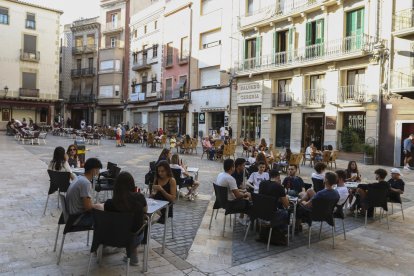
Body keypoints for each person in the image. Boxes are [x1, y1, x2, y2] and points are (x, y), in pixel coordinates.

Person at [104, 172, 147, 266]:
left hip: (114, 237)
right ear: (132, 184)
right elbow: (145, 212)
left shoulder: (109, 203)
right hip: (134, 238)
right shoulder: (139, 197)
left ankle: (102, 249)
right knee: (136, 227)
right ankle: (132, 253)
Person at [66, 158, 103, 226]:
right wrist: (100, 206)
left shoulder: (78, 178)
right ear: (94, 170)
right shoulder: (85, 183)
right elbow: (88, 208)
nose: (98, 172)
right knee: (105, 216)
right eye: (98, 170)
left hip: (71, 215)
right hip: (77, 218)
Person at [216, 159, 251, 224]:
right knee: (248, 202)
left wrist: (242, 191)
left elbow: (231, 189)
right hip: (229, 203)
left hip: (220, 201)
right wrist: (246, 194)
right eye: (234, 166)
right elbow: (238, 196)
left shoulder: (220, 174)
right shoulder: (230, 179)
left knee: (245, 196)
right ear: (232, 168)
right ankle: (243, 219)